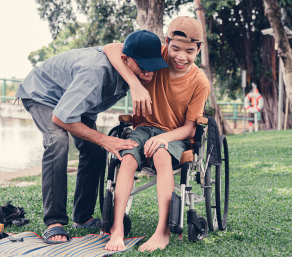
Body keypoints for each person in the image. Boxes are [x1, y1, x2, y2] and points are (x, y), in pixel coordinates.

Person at [14, 30, 169, 244]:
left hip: (74, 100)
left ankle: (82, 217)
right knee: (57, 142)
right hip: (43, 94)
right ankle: (54, 222)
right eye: (144, 67)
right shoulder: (94, 75)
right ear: (126, 61)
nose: (150, 73)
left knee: (94, 150)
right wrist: (106, 140)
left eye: (154, 66)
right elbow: (60, 118)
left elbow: (113, 47)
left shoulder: (133, 58)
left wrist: (135, 82)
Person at [102, 16, 211, 252]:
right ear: (167, 42)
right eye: (175, 49)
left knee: (162, 156)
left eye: (190, 51)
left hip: (174, 136)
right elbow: (111, 49)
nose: (181, 56)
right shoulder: (156, 54)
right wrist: (134, 83)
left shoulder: (199, 82)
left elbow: (190, 128)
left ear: (199, 49)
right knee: (127, 156)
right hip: (143, 129)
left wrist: (163, 138)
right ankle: (117, 228)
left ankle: (163, 231)